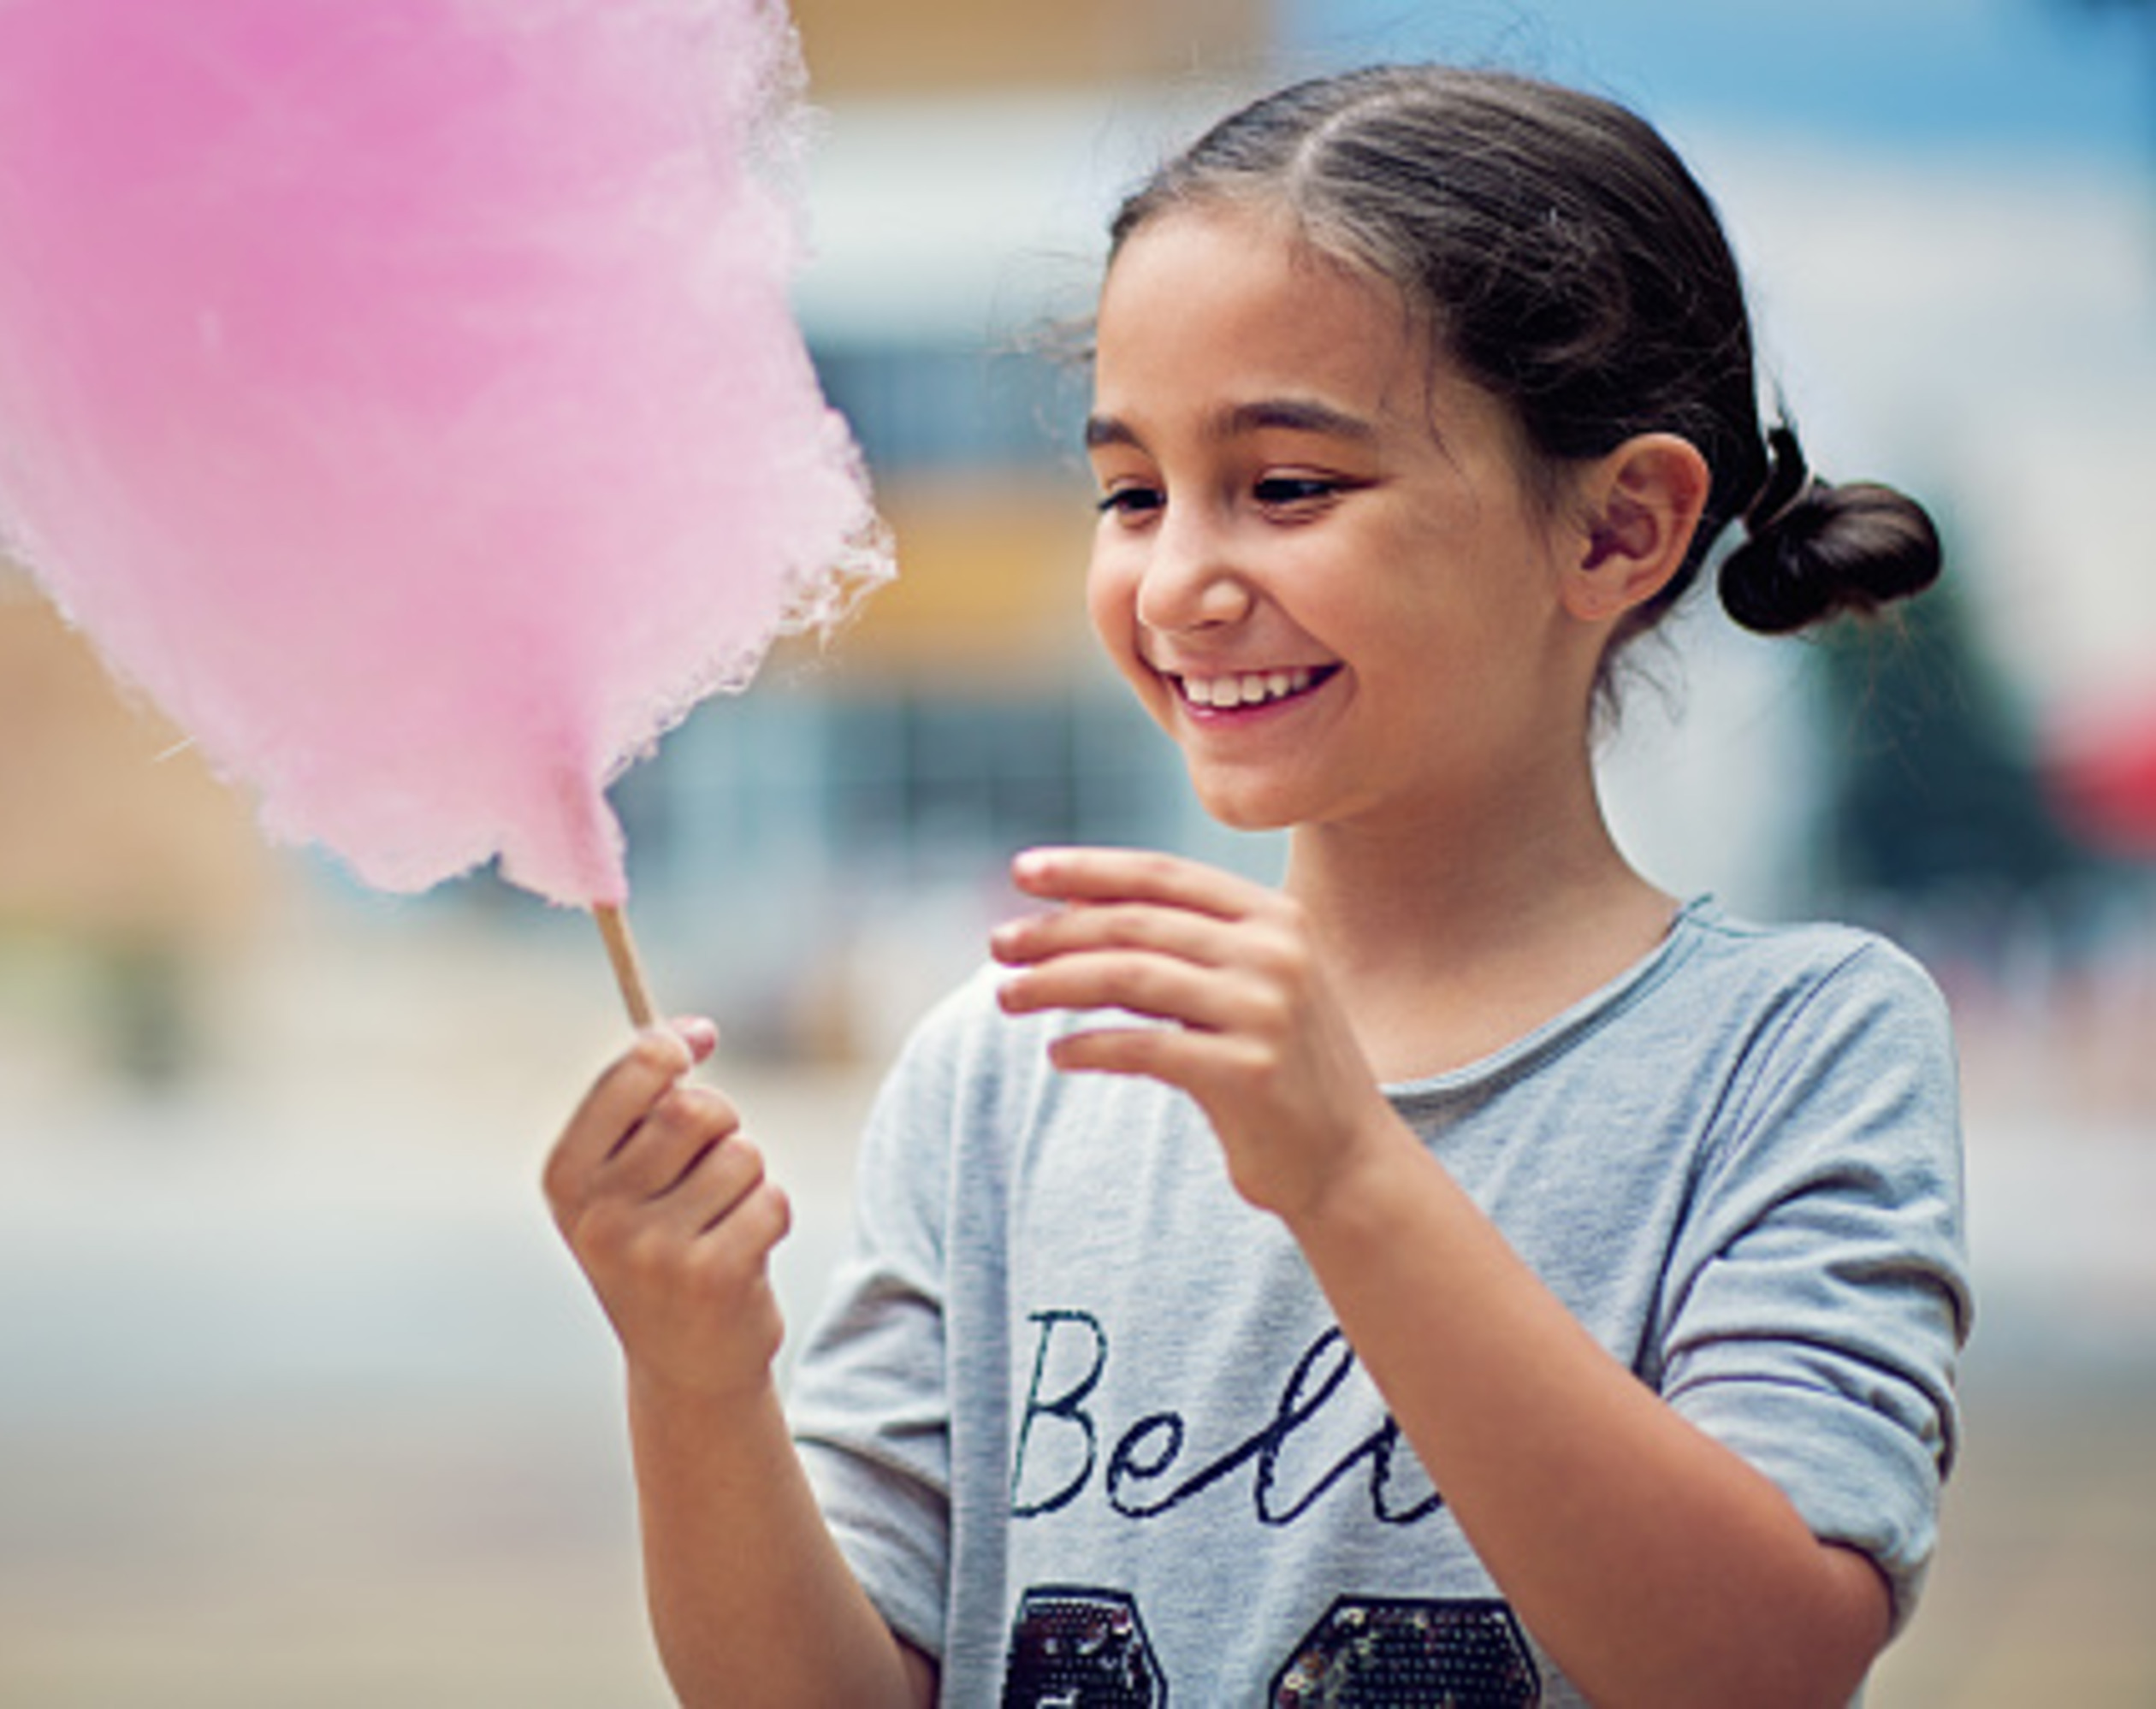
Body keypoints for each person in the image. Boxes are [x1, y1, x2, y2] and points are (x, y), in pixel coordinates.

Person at [542, 63, 1969, 1708]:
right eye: (1132, 492)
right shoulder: (1007, 1075)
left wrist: (1350, 1172)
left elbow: (1756, 1664)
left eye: (1287, 486)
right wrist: (695, 1376)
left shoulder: (1796, 1050)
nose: (1182, 582)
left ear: (1619, 530)